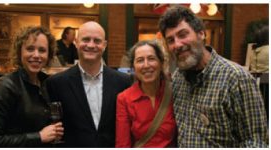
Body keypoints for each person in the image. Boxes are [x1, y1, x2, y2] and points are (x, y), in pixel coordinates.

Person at [158, 6, 268, 147]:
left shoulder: (237, 78)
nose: (177, 44)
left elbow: (256, 141)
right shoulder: (178, 79)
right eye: (170, 40)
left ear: (201, 34)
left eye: (183, 34)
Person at [46, 21, 132, 147]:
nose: (91, 45)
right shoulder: (56, 83)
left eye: (97, 41)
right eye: (86, 39)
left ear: (105, 45)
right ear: (76, 42)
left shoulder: (123, 81)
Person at [0, 26, 64, 147]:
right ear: (19, 52)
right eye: (30, 49)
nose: (36, 55)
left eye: (42, 50)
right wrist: (39, 136)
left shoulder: (48, 83)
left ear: (49, 55)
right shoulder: (3, 88)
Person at [116, 40, 177, 148]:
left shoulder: (175, 93)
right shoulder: (124, 99)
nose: (146, 65)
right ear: (133, 68)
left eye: (151, 58)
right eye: (140, 60)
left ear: (161, 63)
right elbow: (123, 144)